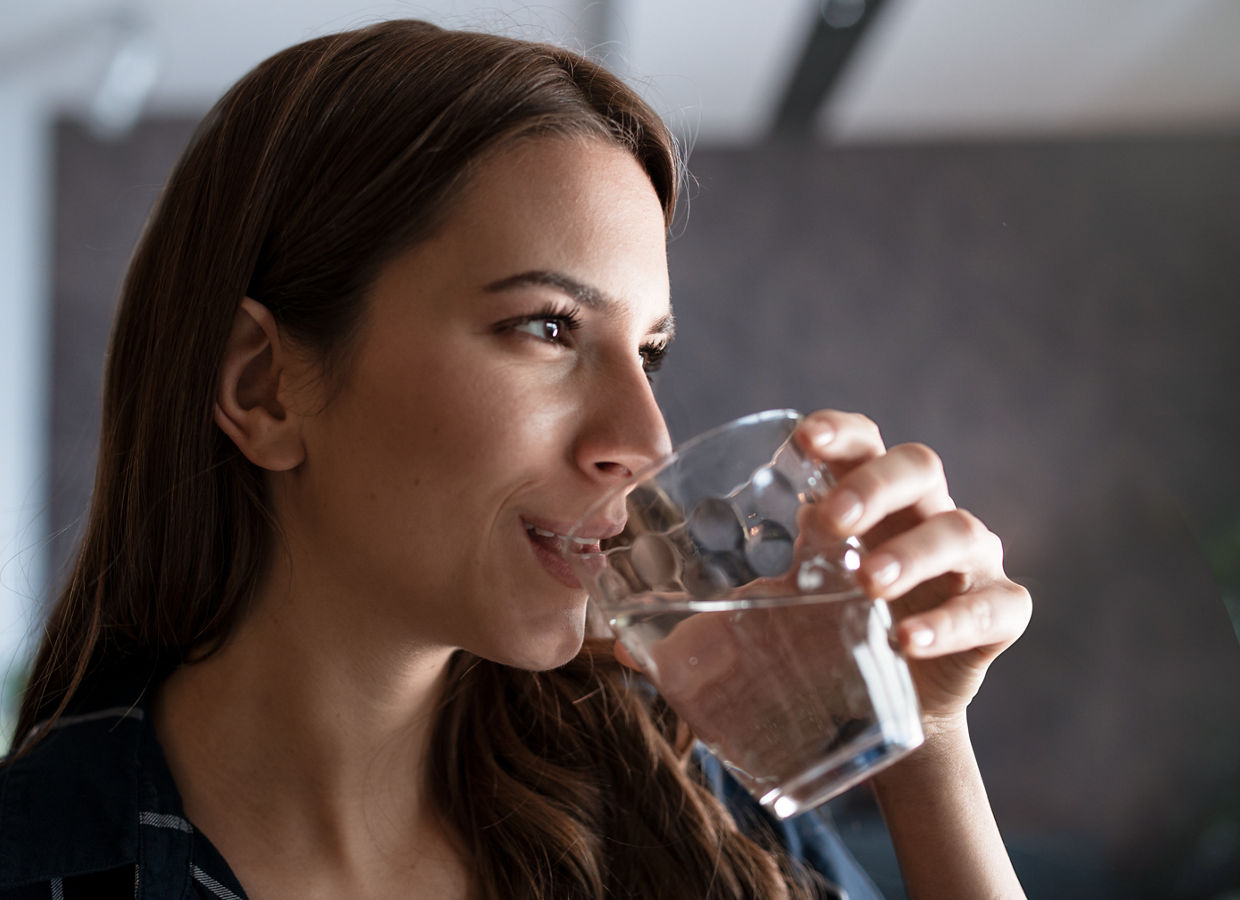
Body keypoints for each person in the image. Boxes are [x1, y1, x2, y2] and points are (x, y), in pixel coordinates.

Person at [0, 19, 1032, 900]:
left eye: (651, 352)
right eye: (546, 328)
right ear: (264, 388)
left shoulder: (677, 802)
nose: (645, 440)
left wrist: (924, 752)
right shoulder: (39, 860)